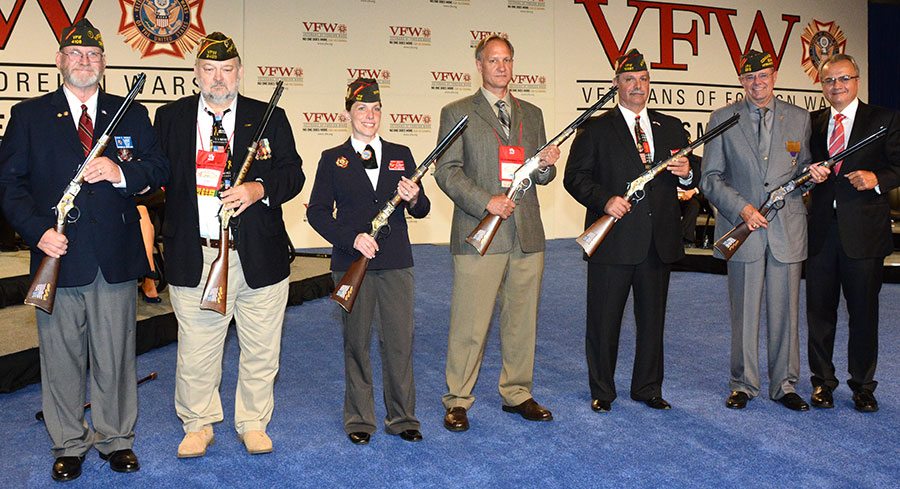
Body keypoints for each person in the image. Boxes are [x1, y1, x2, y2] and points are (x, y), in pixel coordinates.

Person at [0, 19, 168, 481]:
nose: (84, 61)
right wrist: (37, 232)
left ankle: (116, 439)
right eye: (75, 54)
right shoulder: (29, 116)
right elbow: (9, 185)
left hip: (114, 256)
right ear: (59, 61)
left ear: (104, 63)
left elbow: (158, 168)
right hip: (57, 255)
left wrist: (120, 172)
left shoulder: (130, 113)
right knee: (60, 358)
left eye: (93, 55)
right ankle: (69, 443)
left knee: (116, 355)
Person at [154, 32, 304, 457]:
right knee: (196, 350)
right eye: (209, 69)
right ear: (196, 73)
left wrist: (259, 188)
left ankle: (253, 423)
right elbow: (154, 175)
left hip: (258, 254)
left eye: (226, 69)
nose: (218, 77)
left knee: (261, 349)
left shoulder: (269, 116)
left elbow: (293, 174)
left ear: (240, 72)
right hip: (197, 254)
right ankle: (198, 423)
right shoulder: (170, 118)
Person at [433, 35, 560, 432]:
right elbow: (446, 171)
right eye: (493, 60)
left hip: (526, 233)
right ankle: (457, 399)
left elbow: (543, 175)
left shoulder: (532, 114)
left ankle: (517, 392)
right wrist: (485, 201)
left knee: (522, 321)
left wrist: (546, 164)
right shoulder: (457, 112)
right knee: (469, 323)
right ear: (479, 65)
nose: (501, 67)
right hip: (480, 232)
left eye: (507, 60)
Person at [564, 49, 696, 413]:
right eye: (629, 79)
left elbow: (690, 175)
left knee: (652, 322)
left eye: (643, 79)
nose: (637, 86)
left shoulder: (670, 126)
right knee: (603, 321)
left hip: (657, 242)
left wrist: (687, 173)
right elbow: (574, 177)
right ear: (616, 84)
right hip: (614, 240)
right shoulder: (595, 128)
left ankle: (648, 388)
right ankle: (602, 390)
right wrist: (605, 200)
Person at [308, 78, 430, 445]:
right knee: (356, 343)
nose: (370, 115)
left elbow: (422, 209)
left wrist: (414, 196)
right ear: (348, 113)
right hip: (351, 263)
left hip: (395, 262)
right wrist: (352, 238)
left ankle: (403, 417)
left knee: (399, 342)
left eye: (376, 109)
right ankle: (359, 419)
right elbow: (317, 213)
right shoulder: (332, 159)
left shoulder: (401, 153)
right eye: (362, 108)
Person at [700, 50, 812, 411]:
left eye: (763, 75)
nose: (756, 83)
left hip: (785, 231)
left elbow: (803, 171)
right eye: (749, 77)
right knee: (744, 313)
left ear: (774, 75)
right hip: (742, 228)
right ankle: (743, 383)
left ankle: (785, 384)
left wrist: (812, 177)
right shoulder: (722, 118)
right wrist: (742, 208)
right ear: (740, 81)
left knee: (786, 314)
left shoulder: (800, 118)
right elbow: (710, 178)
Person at [805, 54, 900, 412]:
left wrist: (877, 179)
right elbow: (799, 166)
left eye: (844, 78)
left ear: (857, 80)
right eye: (830, 80)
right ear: (822, 85)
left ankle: (863, 385)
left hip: (864, 233)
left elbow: (898, 165)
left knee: (863, 314)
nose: (837, 86)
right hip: (820, 233)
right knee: (819, 314)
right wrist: (808, 174)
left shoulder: (884, 119)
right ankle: (822, 382)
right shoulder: (812, 123)